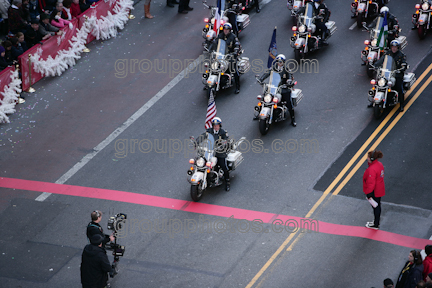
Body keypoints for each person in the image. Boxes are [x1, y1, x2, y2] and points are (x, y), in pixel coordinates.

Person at [257, 54, 297, 126]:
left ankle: (293, 119)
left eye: (281, 62)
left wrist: (289, 81)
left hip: (283, 87)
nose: (279, 63)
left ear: (283, 62)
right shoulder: (274, 67)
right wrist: (261, 79)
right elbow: (267, 73)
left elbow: (290, 76)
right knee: (264, 98)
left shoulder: (286, 69)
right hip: (273, 86)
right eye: (278, 61)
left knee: (289, 103)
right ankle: (259, 113)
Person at [371, 39, 407, 111]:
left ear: (398, 48)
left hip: (396, 74)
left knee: (399, 87)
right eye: (392, 47)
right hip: (387, 73)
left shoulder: (401, 55)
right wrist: (375, 65)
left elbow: (404, 64)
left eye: (395, 47)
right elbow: (381, 60)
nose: (394, 48)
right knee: (377, 84)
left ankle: (402, 104)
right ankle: (373, 101)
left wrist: (402, 68)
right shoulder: (388, 53)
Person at [199, 117, 231, 191]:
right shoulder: (209, 131)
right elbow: (203, 137)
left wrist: (223, 144)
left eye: (217, 125)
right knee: (202, 162)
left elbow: (226, 140)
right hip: (209, 151)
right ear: (212, 126)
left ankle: (227, 182)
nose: (216, 127)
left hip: (219, 152)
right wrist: (196, 142)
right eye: (214, 125)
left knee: (223, 166)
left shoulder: (223, 132)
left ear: (220, 126)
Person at [211, 22, 242, 94]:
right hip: (220, 55)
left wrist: (235, 52)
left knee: (233, 69)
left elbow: (237, 45)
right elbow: (215, 43)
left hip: (230, 56)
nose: (225, 31)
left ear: (230, 30)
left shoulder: (233, 37)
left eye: (227, 30)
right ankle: (209, 83)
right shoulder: (220, 36)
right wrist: (212, 50)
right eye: (224, 29)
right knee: (211, 66)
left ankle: (237, 86)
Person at [363, 150, 385, 230]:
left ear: (371, 158)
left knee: (376, 207)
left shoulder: (371, 169)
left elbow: (371, 183)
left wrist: (369, 194)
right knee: (377, 205)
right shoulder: (379, 164)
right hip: (379, 189)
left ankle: (376, 224)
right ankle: (376, 222)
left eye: (368, 157)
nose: (367, 158)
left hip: (374, 192)